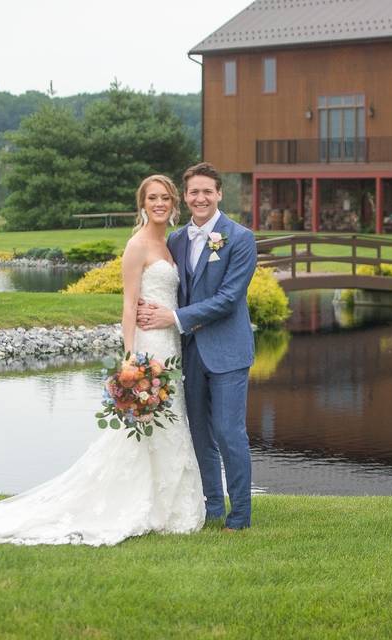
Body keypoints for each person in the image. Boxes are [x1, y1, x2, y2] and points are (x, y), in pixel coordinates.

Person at [0, 175, 205, 546]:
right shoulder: (137, 245)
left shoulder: (168, 243)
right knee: (142, 426)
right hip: (147, 346)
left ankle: (168, 504)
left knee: (168, 422)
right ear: (142, 204)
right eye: (152, 198)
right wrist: (129, 358)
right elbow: (128, 304)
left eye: (164, 197)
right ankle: (144, 504)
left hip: (171, 344)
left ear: (173, 202)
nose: (159, 203)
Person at [136, 163, 258, 531]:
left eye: (207, 191)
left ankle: (240, 516)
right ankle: (213, 507)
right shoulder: (176, 240)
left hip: (229, 351)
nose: (200, 198)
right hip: (189, 353)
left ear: (219, 194)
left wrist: (172, 318)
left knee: (228, 431)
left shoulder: (240, 238)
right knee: (200, 435)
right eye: (193, 192)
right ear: (185, 197)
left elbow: (228, 298)